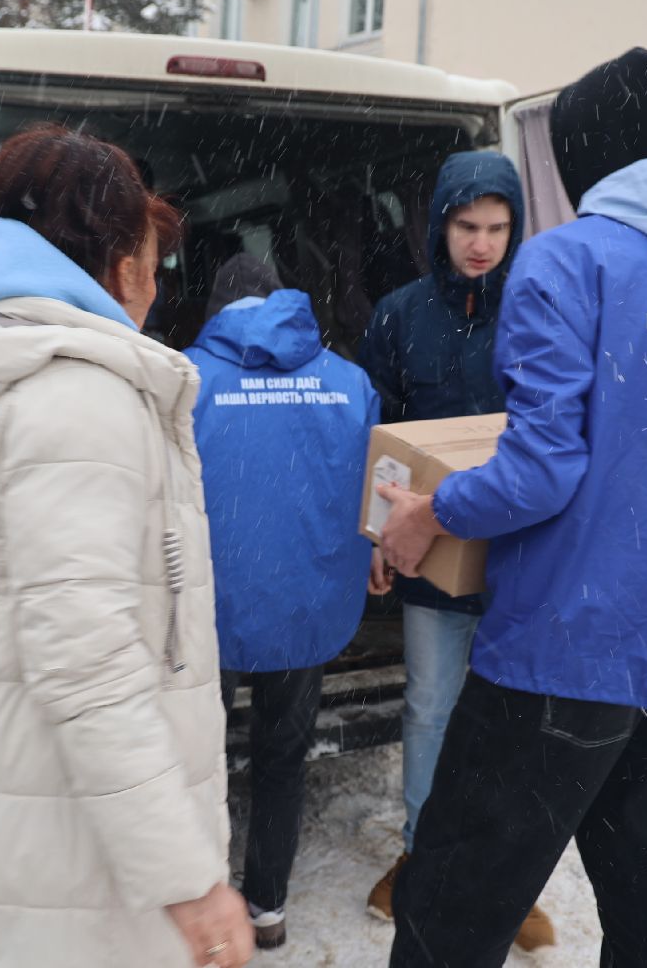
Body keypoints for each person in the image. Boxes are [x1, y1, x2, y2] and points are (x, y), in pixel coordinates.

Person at [378, 48, 647, 968]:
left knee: (447, 918)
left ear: (582, 159)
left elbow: (539, 471)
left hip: (563, 655)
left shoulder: (567, 262)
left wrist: (431, 511)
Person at [0, 124, 253, 968]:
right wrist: (190, 878)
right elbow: (88, 662)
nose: (154, 283)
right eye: (149, 257)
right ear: (119, 266)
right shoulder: (77, 400)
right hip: (44, 874)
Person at [356, 152, 555, 953]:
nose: (481, 244)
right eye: (467, 227)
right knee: (431, 709)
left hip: (519, 560)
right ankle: (418, 857)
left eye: (497, 228)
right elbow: (380, 439)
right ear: (441, 226)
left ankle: (510, 883)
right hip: (429, 560)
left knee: (514, 720)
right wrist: (375, 538)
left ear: (515, 228)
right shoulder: (400, 315)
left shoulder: (542, 311)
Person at [184, 256, 379, 950]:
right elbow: (371, 490)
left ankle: (198, 903)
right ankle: (266, 905)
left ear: (215, 310)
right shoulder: (349, 381)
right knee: (282, 756)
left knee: (194, 760)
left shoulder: (181, 380)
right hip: (307, 600)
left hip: (211, 606)